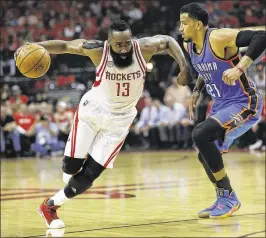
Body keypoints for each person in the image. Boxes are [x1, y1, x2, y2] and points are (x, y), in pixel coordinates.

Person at [15, 20, 189, 228]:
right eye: (118, 45)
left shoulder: (143, 48)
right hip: (93, 110)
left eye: (127, 43)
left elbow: (169, 41)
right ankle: (72, 166)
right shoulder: (97, 50)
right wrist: (34, 46)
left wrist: (184, 65)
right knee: (70, 168)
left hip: (121, 120)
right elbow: (64, 46)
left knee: (89, 176)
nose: (124, 49)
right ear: (109, 42)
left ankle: (49, 206)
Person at [179, 3, 265, 219]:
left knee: (200, 133)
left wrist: (239, 67)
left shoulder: (218, 37)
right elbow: (203, 69)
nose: (180, 28)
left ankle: (227, 197)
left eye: (184, 23)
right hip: (222, 103)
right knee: (205, 155)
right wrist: (197, 91)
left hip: (244, 101)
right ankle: (226, 199)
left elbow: (261, 36)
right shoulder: (189, 45)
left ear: (198, 25)